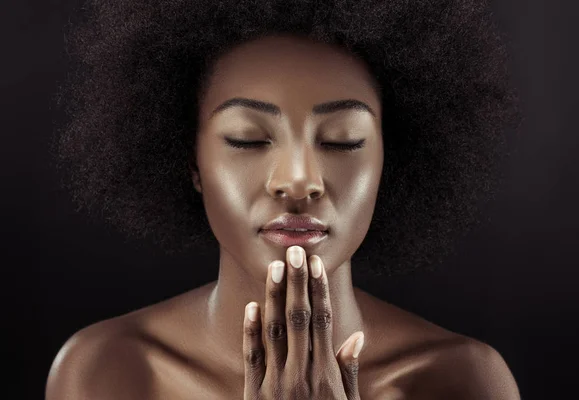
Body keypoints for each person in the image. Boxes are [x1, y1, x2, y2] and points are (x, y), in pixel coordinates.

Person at [46, 0, 522, 398]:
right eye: (248, 139)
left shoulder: (462, 381)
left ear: (389, 161)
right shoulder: (109, 372)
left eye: (341, 140)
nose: (298, 181)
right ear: (190, 161)